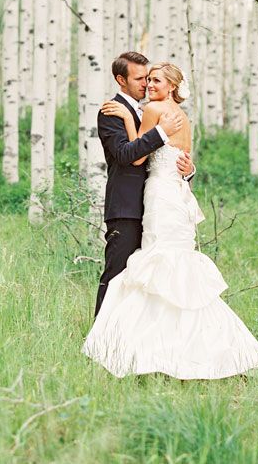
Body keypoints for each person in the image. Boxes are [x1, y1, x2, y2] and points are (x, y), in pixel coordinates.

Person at [83, 61, 258, 380]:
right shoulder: (183, 116)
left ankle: (127, 345)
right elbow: (183, 159)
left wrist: (127, 116)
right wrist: (187, 170)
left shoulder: (152, 110)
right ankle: (181, 345)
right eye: (147, 79)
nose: (150, 85)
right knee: (172, 268)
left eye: (156, 80)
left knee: (153, 267)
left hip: (159, 196)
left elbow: (137, 155)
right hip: (176, 196)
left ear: (172, 86)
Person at [94, 52, 195, 317]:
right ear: (121, 80)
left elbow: (180, 154)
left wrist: (188, 171)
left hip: (159, 204)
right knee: (117, 275)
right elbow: (127, 155)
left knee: (152, 276)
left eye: (150, 78)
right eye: (140, 79)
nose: (146, 84)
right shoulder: (112, 112)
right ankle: (100, 338)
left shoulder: (155, 109)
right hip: (127, 207)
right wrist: (159, 132)